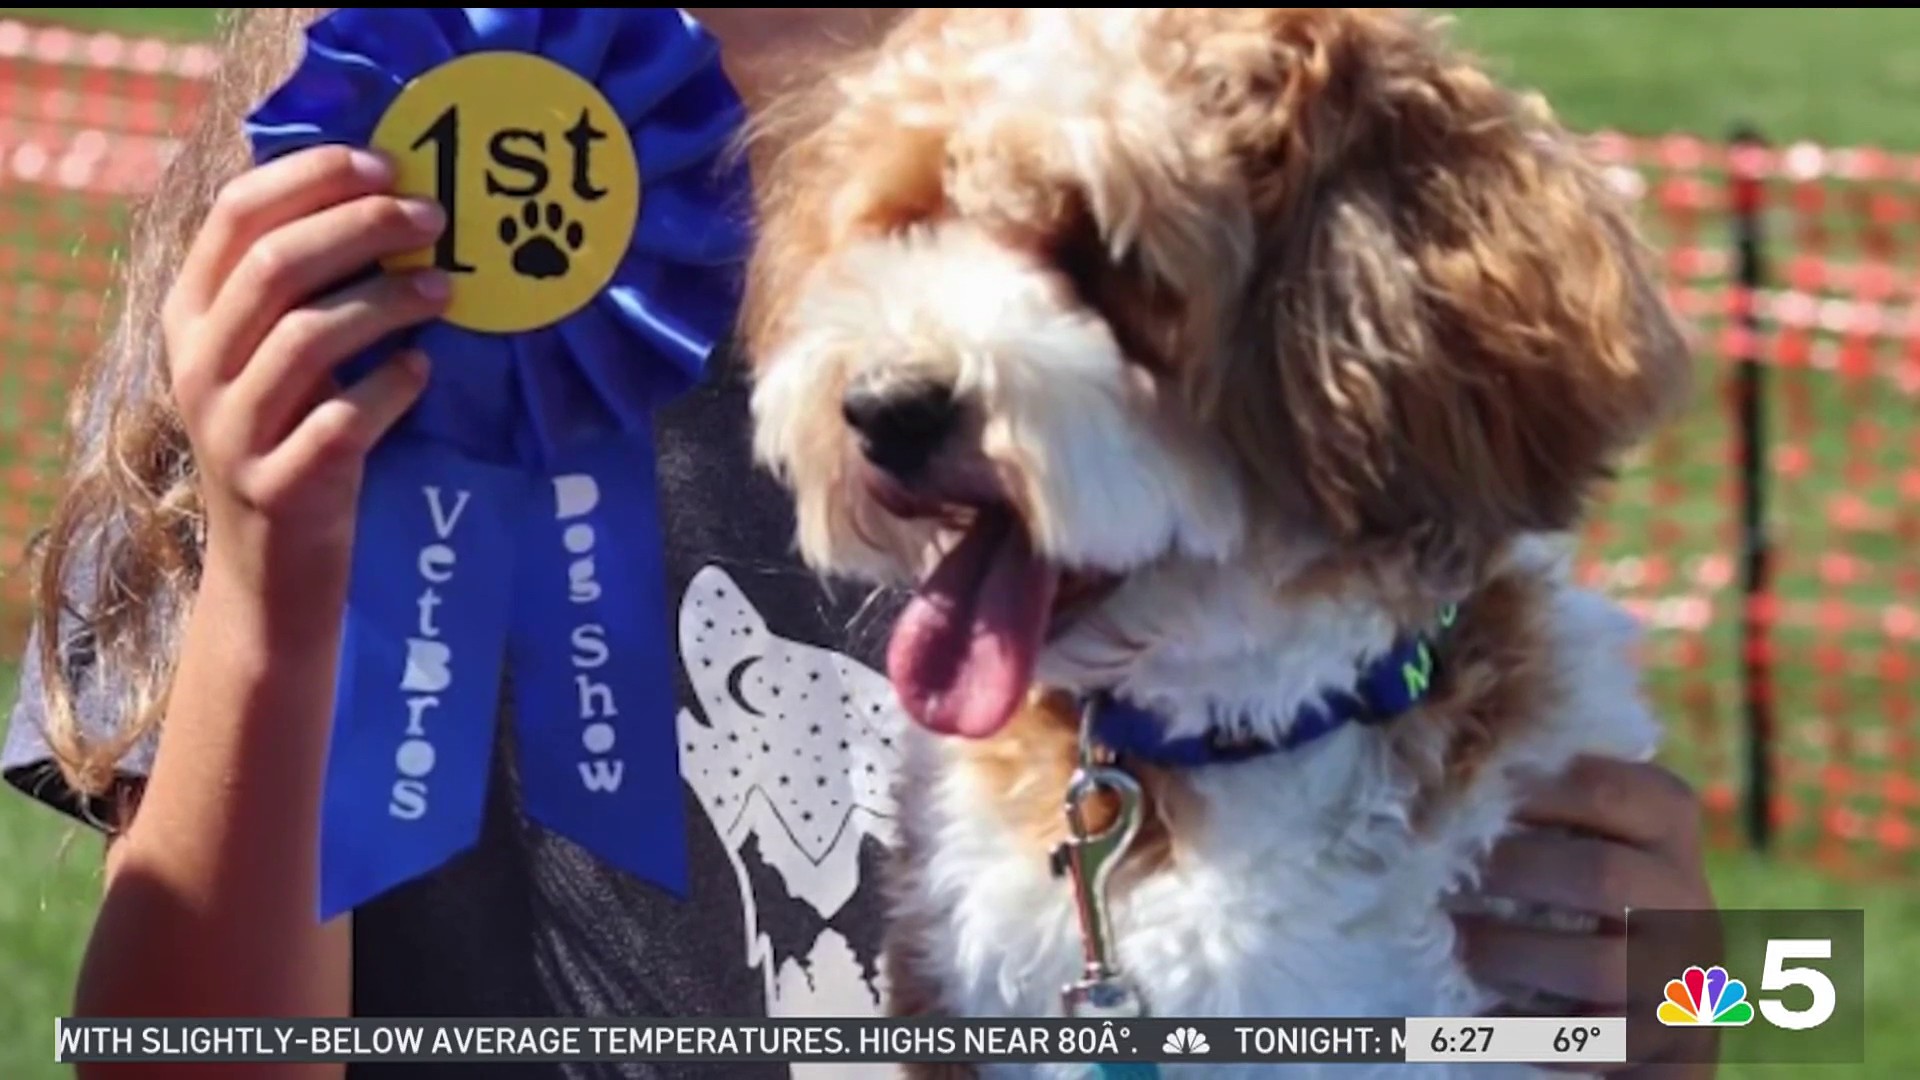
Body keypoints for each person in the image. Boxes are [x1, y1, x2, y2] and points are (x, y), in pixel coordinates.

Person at [1, 8, 1714, 1079]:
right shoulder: (317, 280)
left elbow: (1774, 997)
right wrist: (273, 578)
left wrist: (1702, 1003)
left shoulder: (1248, 169)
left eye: (1094, 271)